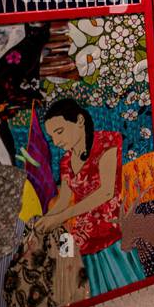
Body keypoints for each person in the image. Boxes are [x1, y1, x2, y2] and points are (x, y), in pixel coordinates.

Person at [39, 99, 146, 296]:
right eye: (52, 136)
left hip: (112, 236)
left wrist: (60, 217)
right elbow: (63, 199)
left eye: (59, 131)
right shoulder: (65, 161)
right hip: (84, 241)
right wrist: (45, 219)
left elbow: (105, 192)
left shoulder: (107, 142)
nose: (56, 141)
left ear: (79, 120)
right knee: (98, 300)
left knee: (130, 294)